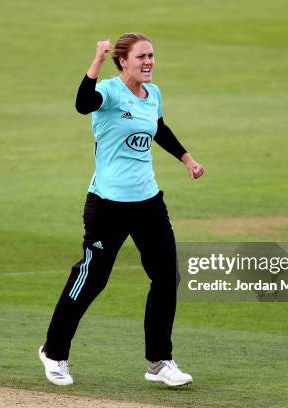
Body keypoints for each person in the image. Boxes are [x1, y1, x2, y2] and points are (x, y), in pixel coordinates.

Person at [38, 33, 204, 387]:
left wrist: (186, 158)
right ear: (122, 61)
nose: (149, 62)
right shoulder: (110, 92)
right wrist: (96, 61)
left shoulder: (153, 93)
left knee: (166, 277)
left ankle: (159, 362)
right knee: (91, 279)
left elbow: (158, 128)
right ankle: (54, 353)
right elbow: (83, 104)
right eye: (142, 56)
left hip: (147, 201)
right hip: (107, 205)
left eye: (152, 56)